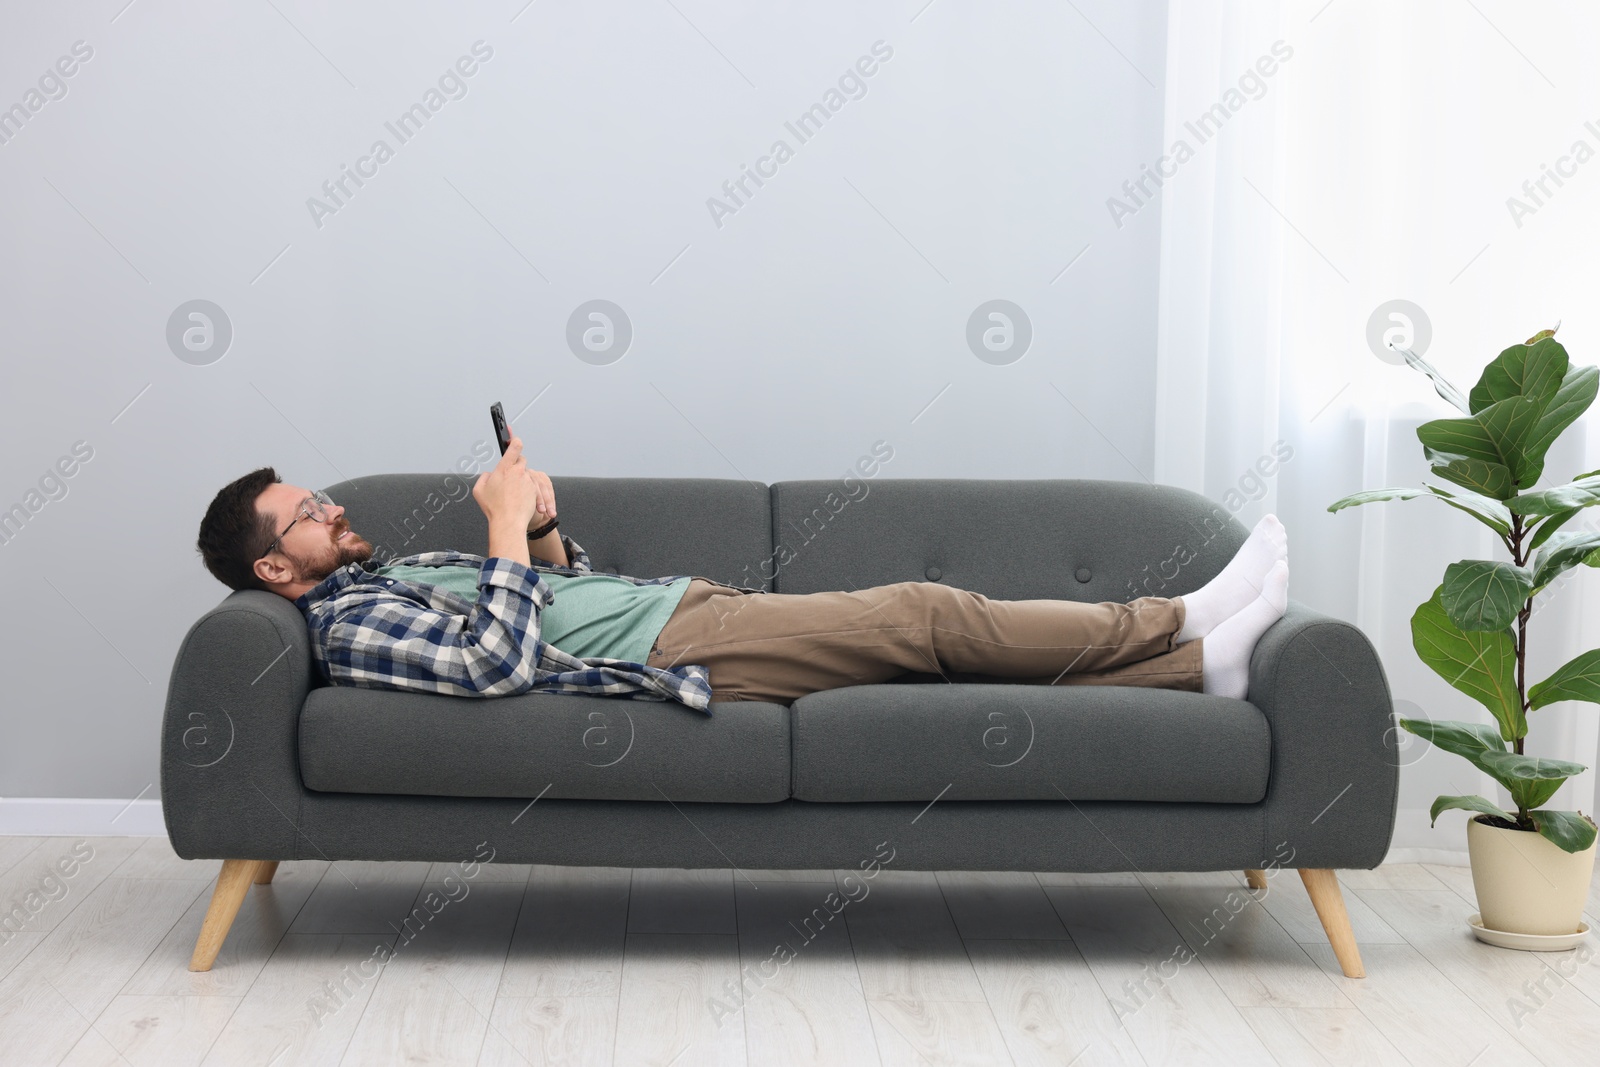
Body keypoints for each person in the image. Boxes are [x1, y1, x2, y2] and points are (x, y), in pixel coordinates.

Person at [195, 435, 1288, 713]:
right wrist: (496, 534)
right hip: (673, 650)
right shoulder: (343, 628)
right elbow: (491, 662)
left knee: (934, 668)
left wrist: (543, 530)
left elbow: (551, 594)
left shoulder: (387, 569)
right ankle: (1177, 614)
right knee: (927, 610)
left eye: (320, 498)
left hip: (687, 607)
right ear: (272, 565)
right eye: (307, 513)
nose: (332, 507)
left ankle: (1195, 671)